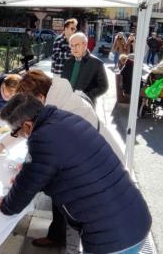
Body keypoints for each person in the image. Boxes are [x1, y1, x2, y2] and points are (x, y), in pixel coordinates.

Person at [0, 94, 152, 254]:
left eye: (16, 132)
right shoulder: (65, 118)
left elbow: (23, 190)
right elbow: (61, 166)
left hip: (112, 239)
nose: (18, 136)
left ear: (28, 126)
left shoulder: (41, 139)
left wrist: (5, 205)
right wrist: (32, 172)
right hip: (135, 217)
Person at [14, 70, 128, 249]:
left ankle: (70, 245)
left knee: (83, 227)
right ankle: (57, 236)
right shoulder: (60, 98)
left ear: (41, 97)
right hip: (95, 168)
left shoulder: (63, 112)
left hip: (99, 180)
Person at [61, 32, 108, 103]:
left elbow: (103, 87)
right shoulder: (68, 62)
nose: (74, 48)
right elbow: (63, 82)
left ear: (85, 45)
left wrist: (86, 96)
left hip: (86, 104)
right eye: (72, 46)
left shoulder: (97, 63)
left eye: (77, 45)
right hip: (68, 102)